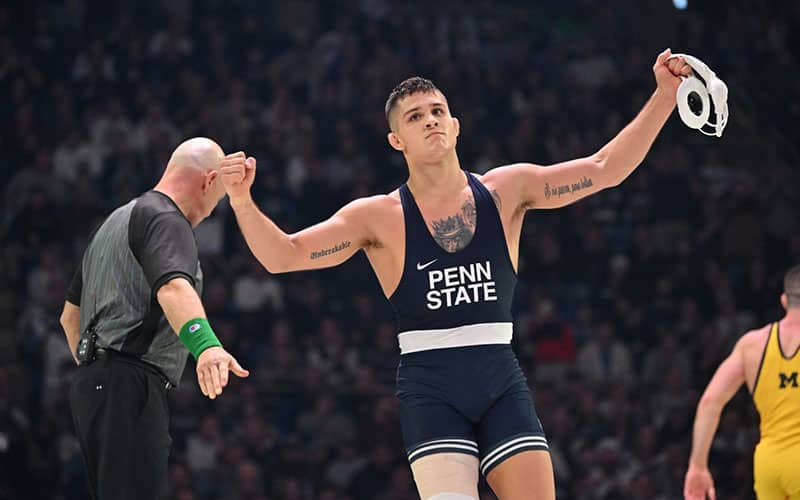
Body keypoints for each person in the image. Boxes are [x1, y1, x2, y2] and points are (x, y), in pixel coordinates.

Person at [221, 49, 691, 499]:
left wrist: (665, 95)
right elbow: (284, 255)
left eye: (437, 110)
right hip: (431, 388)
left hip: (499, 376)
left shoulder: (507, 190)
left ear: (455, 125)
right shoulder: (378, 218)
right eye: (415, 116)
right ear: (396, 140)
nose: (429, 119)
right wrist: (242, 200)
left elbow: (604, 169)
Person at [59, 137, 250, 500]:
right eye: (218, 199)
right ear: (209, 181)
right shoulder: (167, 219)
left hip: (93, 387)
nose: (211, 211)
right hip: (130, 384)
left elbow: (70, 317)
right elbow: (173, 288)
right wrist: (206, 346)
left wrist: (98, 373)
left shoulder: (115, 221)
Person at [684, 265, 800, 500]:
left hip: (769, 465)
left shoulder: (751, 345)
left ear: (784, 301)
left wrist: (697, 465)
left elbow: (709, 402)